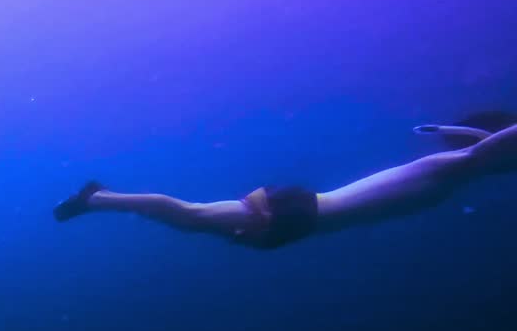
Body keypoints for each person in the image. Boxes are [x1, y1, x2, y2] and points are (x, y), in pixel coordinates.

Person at [52, 114, 517, 249]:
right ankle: (99, 198)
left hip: (305, 218)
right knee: (192, 215)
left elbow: (484, 148)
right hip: (304, 211)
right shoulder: (454, 166)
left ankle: (101, 199)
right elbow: (484, 149)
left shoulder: (455, 173)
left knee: (193, 220)